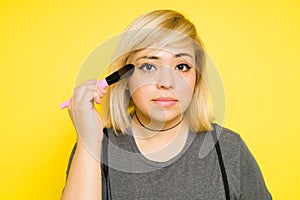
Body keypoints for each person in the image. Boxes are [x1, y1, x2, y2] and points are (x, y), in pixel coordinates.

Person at [61, 10, 272, 200]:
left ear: (197, 79)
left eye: (181, 66)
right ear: (125, 79)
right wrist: (88, 140)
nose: (167, 82)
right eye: (149, 66)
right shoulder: (98, 147)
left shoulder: (228, 148)